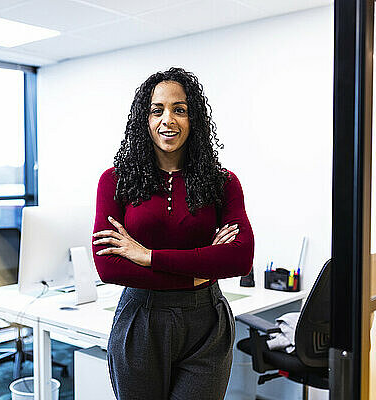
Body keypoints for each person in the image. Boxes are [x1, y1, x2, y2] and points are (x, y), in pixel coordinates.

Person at [91, 67, 254, 400]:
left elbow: (240, 258)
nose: (168, 119)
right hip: (141, 318)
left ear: (193, 119)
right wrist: (200, 271)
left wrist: (148, 256)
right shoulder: (115, 181)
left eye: (179, 109)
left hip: (207, 322)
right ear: (144, 120)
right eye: (157, 110)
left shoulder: (223, 183)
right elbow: (109, 267)